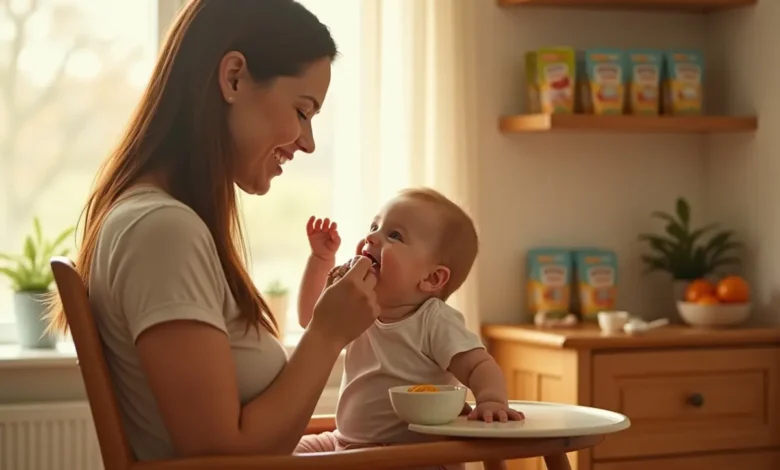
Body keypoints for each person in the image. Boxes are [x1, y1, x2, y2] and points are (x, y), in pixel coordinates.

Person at [45, 0, 380, 461]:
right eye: (302, 112)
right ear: (234, 78)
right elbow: (219, 454)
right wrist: (326, 334)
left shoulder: (158, 223)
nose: (308, 142)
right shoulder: (163, 232)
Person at [294, 188, 524, 465]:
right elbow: (311, 318)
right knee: (277, 456)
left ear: (432, 278)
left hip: (409, 454)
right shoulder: (357, 307)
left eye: (394, 235)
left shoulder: (433, 321)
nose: (371, 237)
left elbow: (478, 366)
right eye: (374, 227)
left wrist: (491, 400)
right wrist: (321, 261)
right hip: (344, 440)